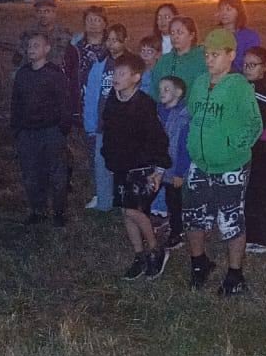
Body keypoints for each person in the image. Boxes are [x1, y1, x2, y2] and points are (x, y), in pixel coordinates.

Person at [182, 29, 264, 296]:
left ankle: (235, 274)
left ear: (231, 55)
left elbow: (254, 124)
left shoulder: (239, 86)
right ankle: (199, 263)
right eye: (207, 54)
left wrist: (231, 147)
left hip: (230, 166)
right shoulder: (199, 83)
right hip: (199, 163)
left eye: (215, 55)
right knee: (193, 216)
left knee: (230, 219)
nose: (209, 60)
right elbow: (193, 113)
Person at [102, 54, 172, 281]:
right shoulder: (112, 101)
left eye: (122, 74)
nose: (116, 77)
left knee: (135, 210)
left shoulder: (144, 104)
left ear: (136, 77)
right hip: (120, 165)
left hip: (142, 167)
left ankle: (156, 250)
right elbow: (109, 132)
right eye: (115, 72)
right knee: (125, 211)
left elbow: (158, 137)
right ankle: (139, 255)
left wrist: (159, 169)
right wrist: (109, 158)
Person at [11, 32, 72, 226]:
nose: (31, 49)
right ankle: (38, 211)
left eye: (36, 46)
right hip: (27, 133)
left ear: (47, 49)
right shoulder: (22, 74)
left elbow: (65, 103)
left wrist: (62, 129)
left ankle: (59, 212)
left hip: (51, 131)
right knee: (31, 174)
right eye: (29, 46)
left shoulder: (55, 74)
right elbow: (16, 103)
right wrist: (17, 130)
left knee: (57, 174)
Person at [82, 23, 128, 211]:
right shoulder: (100, 65)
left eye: (116, 40)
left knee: (123, 163)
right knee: (101, 163)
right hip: (103, 124)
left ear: (125, 41)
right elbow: (92, 95)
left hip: (124, 125)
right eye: (109, 40)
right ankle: (103, 200)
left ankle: (124, 199)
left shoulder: (131, 64)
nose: (111, 44)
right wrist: (90, 123)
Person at [240, 46, 266, 252]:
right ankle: (251, 234)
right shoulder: (241, 88)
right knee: (249, 191)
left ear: (265, 66)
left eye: (253, 65)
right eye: (245, 65)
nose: (248, 69)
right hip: (246, 147)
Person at [13, 0, 80, 119]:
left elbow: (73, 65)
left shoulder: (66, 35)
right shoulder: (27, 36)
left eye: (47, 11)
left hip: (58, 87)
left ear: (54, 13)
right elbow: (18, 63)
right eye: (39, 12)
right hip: (33, 88)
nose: (43, 15)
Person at [156, 74, 191, 249]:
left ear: (178, 92)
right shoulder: (157, 111)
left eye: (167, 89)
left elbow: (185, 147)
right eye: (160, 89)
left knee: (174, 201)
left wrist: (180, 172)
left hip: (173, 167)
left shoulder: (184, 116)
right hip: (157, 165)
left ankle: (177, 232)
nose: (162, 92)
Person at [150, 15, 205, 101]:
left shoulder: (202, 59)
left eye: (180, 33)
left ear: (191, 35)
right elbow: (154, 88)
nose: (175, 37)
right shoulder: (164, 60)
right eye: (172, 33)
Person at [216, 0, 260, 71]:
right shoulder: (216, 36)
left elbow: (251, 64)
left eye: (228, 9)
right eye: (221, 9)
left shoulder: (250, 37)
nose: (223, 13)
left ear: (239, 12)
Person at [72, 5, 109, 97]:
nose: (93, 23)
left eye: (97, 20)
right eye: (89, 20)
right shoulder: (75, 43)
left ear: (105, 24)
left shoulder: (111, 45)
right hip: (79, 93)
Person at [138, 33, 162, 99]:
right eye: (143, 51)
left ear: (158, 54)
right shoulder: (137, 71)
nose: (145, 55)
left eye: (150, 52)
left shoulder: (160, 72)